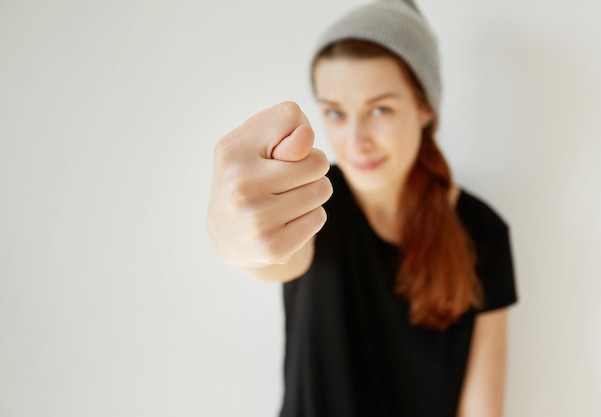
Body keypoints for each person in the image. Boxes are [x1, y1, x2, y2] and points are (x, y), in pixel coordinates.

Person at [207, 0, 518, 416]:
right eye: (336, 112)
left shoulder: (483, 230)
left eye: (380, 109)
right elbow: (274, 257)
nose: (356, 140)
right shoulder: (311, 195)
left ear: (424, 107)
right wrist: (239, 240)